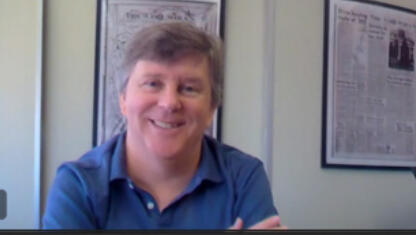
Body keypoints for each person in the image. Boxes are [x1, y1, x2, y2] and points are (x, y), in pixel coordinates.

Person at [43, 22, 282, 229]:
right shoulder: (77, 186)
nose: (169, 103)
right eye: (153, 84)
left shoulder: (244, 177)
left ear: (211, 108)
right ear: (123, 100)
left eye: (189, 88)